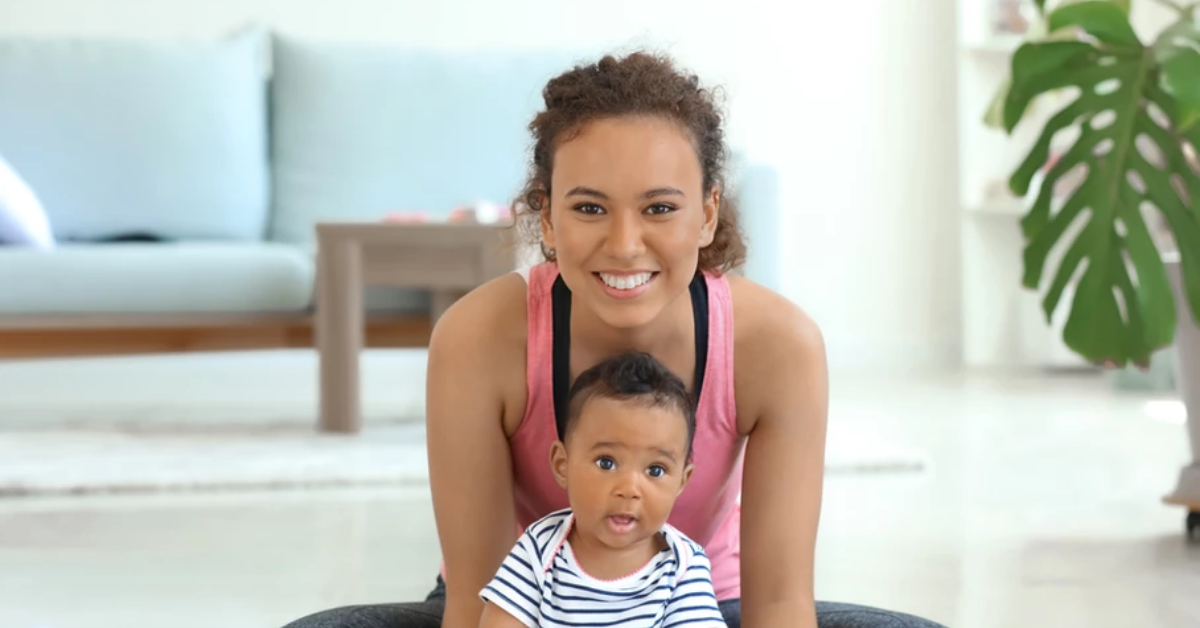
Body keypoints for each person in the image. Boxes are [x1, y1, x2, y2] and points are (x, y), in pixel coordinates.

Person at [284, 50, 948, 628]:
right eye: (589, 208)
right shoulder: (478, 338)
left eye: (660, 208)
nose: (625, 245)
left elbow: (778, 606)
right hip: (527, 610)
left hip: (701, 608)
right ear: (546, 214)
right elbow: (476, 598)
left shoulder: (778, 345)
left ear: (708, 213)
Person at [479, 351, 725, 628]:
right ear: (563, 465)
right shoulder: (540, 548)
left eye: (655, 470)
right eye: (606, 463)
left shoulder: (682, 566)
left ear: (682, 480)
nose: (629, 489)